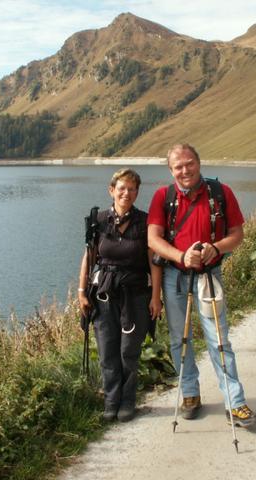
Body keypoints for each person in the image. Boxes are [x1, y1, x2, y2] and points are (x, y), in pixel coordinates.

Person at [147, 143, 256, 427]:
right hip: (175, 277)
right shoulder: (163, 197)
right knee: (179, 339)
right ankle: (190, 393)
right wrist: (181, 256)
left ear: (199, 163)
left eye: (189, 164)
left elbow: (237, 234)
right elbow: (153, 239)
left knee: (219, 339)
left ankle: (235, 402)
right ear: (171, 170)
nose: (185, 170)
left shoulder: (221, 193)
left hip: (209, 276)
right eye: (178, 167)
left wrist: (217, 247)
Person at [78, 168, 162, 422]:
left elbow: (154, 263)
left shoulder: (145, 222)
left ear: (137, 193)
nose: (127, 193)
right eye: (122, 188)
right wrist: (82, 292)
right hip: (103, 294)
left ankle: (127, 401)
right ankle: (111, 401)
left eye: (132, 189)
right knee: (107, 350)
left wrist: (155, 297)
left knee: (129, 350)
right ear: (111, 190)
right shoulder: (99, 220)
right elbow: (89, 257)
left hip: (135, 295)